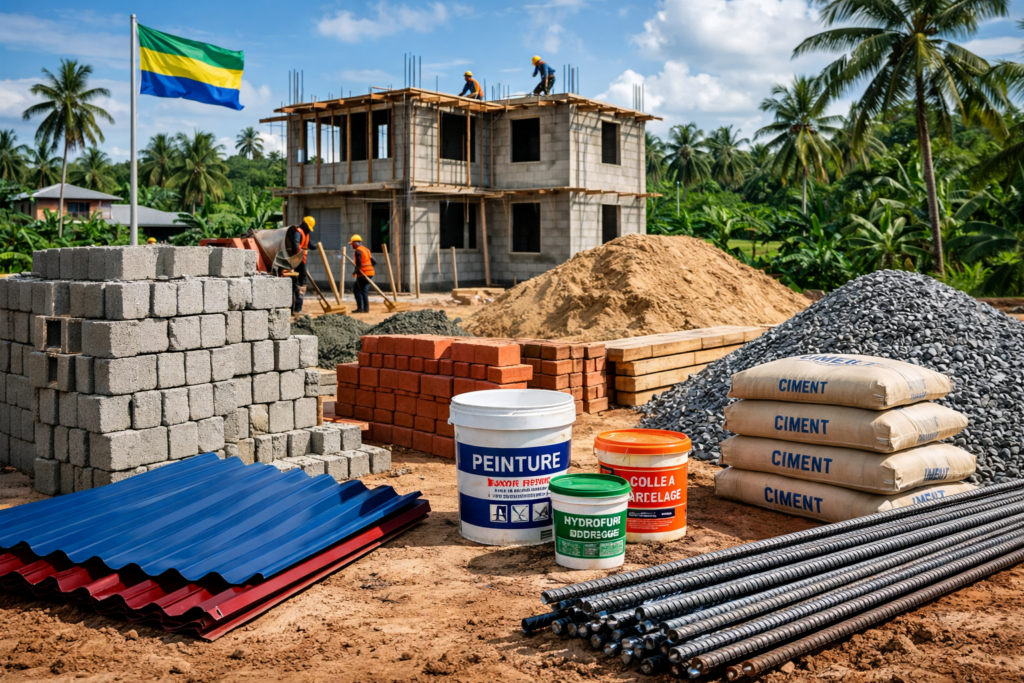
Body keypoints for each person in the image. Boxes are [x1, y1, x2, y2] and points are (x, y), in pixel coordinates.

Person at [283, 216, 315, 314]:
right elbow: (295, 246)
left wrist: (317, 246)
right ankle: (296, 308)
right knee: (299, 284)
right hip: (298, 261)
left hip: (301, 261)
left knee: (299, 285)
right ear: (305, 224)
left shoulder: (305, 233)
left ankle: (297, 308)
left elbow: (311, 245)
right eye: (308, 227)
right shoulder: (299, 232)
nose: (309, 229)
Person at [350, 234, 376, 314]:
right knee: (363, 290)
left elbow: (359, 264)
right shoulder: (366, 250)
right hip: (370, 272)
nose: (352, 246)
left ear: (355, 243)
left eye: (352, 244)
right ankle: (366, 308)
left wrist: (355, 272)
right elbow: (374, 262)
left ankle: (360, 308)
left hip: (363, 273)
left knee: (357, 290)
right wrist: (368, 268)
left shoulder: (358, 251)